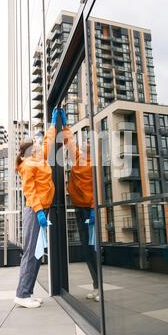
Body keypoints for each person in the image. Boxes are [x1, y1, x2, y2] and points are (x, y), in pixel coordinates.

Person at [14, 108, 58, 308]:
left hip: (42, 210)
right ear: (32, 151)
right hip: (35, 211)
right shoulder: (28, 165)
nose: (41, 145)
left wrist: (53, 125)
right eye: (37, 145)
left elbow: (48, 143)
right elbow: (30, 192)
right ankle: (22, 295)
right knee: (31, 252)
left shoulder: (39, 159)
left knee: (38, 252)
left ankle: (28, 293)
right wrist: (40, 211)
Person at [60, 108, 99, 302]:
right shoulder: (78, 158)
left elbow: (97, 189)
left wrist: (93, 210)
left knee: (92, 248)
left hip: (89, 210)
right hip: (79, 207)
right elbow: (69, 141)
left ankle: (99, 287)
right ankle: (96, 286)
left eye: (90, 143)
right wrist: (65, 123)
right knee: (86, 248)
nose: (86, 144)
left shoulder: (94, 165)